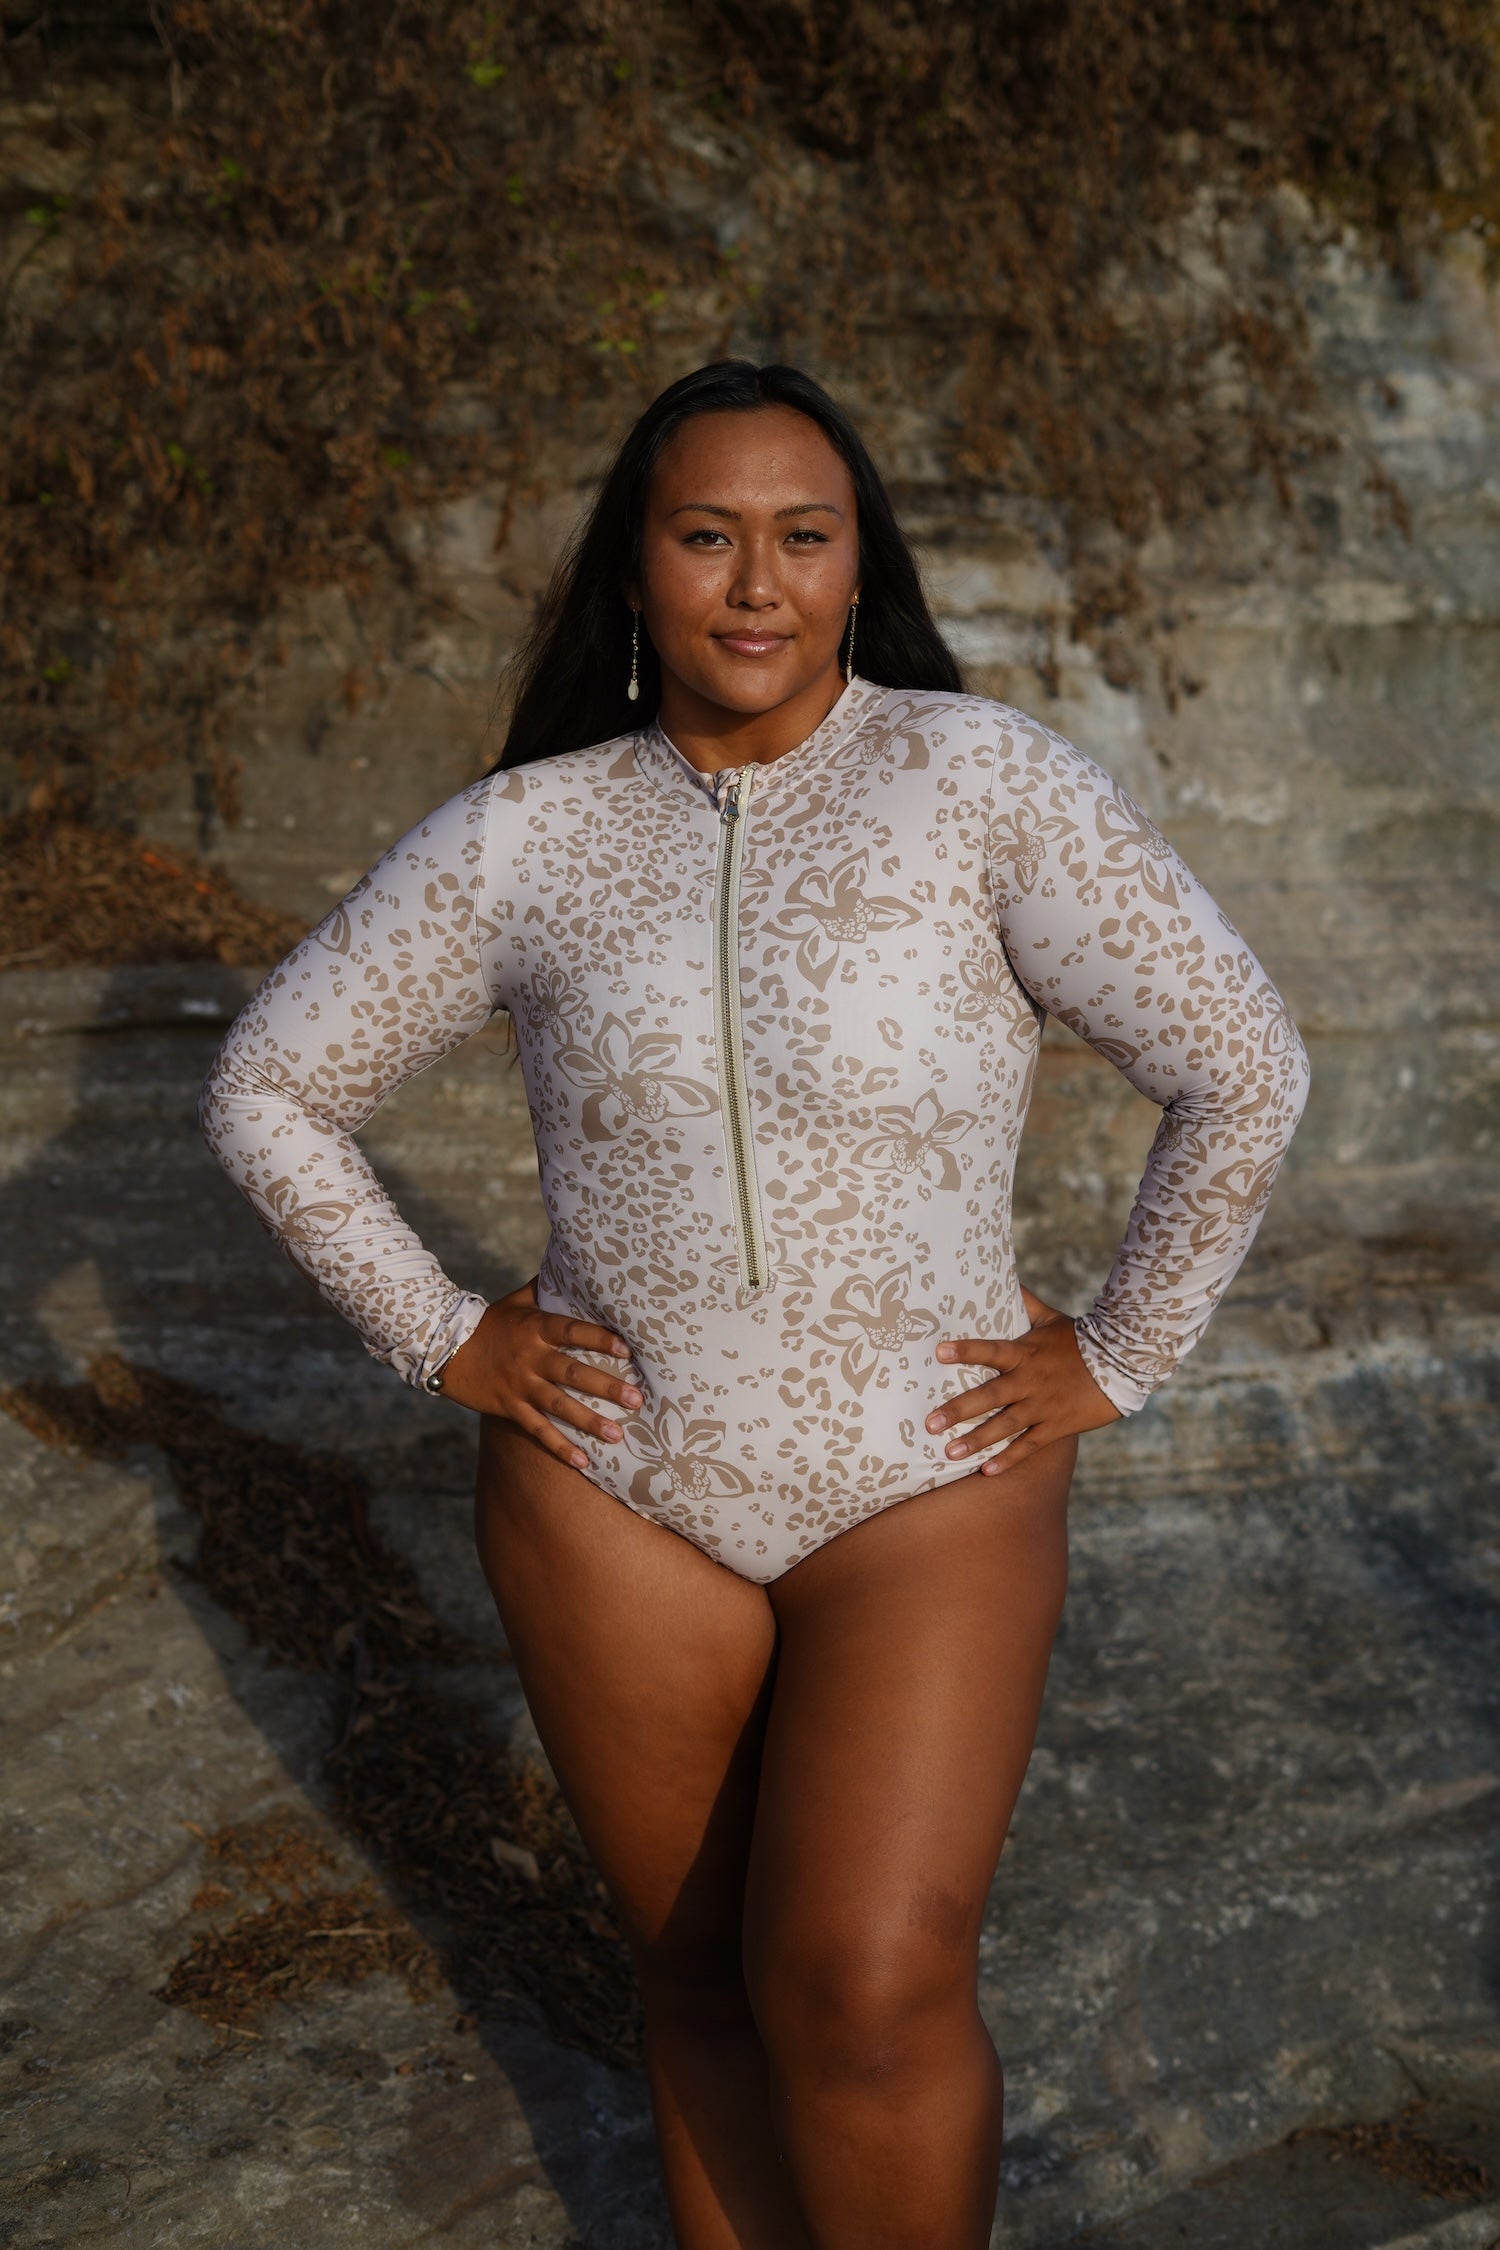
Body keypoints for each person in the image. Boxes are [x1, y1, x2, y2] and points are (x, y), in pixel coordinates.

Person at [199, 360, 1311, 2249]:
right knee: (702, 1979)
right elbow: (268, 1088)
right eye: (706, 535)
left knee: (864, 1985)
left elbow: (1244, 1061)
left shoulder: (979, 780)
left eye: (804, 535)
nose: (756, 581)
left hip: (927, 1473)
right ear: (636, 568)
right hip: (612, 1491)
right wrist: (445, 1331)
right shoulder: (525, 833)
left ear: (858, 563)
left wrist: (1122, 1350)